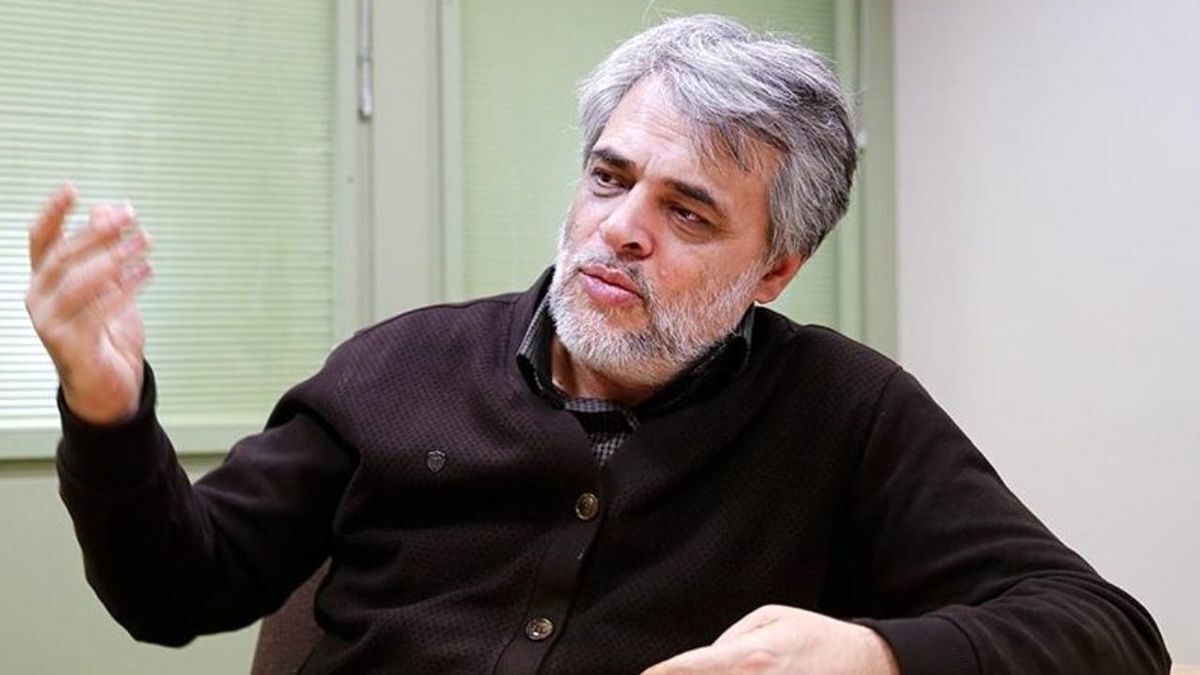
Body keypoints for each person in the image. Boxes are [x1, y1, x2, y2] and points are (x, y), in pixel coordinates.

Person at [24, 14, 1170, 675]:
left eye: (688, 212)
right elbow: (174, 591)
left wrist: (877, 654)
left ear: (776, 269)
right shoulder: (396, 370)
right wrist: (107, 411)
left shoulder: (843, 409)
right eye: (610, 178)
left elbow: (1107, 632)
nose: (621, 230)